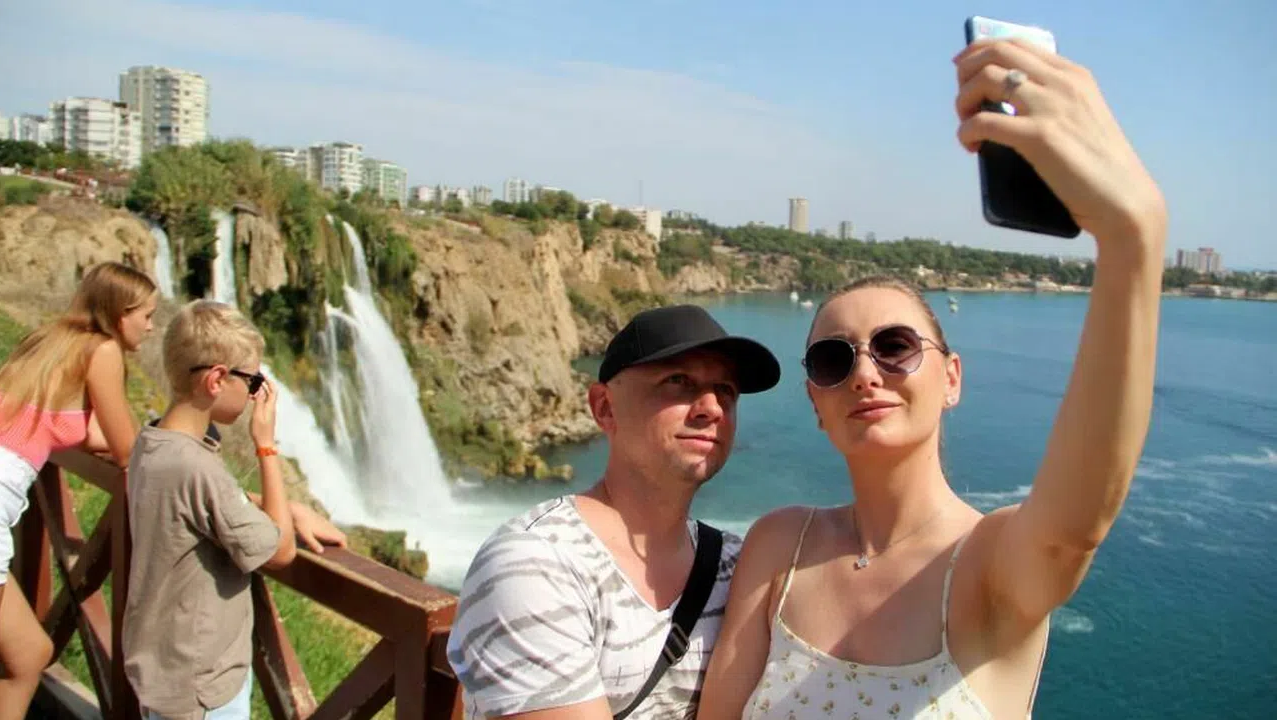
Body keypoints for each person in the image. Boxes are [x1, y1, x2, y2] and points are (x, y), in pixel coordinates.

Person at [699, 37, 1167, 719]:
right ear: (815, 402)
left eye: (894, 346)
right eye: (833, 359)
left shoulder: (989, 564)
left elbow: (1073, 529)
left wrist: (1131, 236)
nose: (866, 372)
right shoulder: (779, 545)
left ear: (951, 378)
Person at [448, 304, 781, 719]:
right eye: (678, 381)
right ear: (604, 407)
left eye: (726, 391)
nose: (712, 407)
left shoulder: (739, 569)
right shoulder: (536, 563)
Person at [122, 300, 347, 720]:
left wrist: (287, 508)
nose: (256, 393)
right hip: (202, 685)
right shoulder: (196, 467)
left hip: (164, 668)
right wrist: (266, 445)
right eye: (253, 380)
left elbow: (207, 503)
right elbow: (280, 551)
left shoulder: (153, 442)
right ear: (216, 380)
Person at [0, 261, 157, 720]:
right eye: (146, 315)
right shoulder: (102, 351)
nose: (151, 327)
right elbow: (127, 451)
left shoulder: (48, 341)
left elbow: (76, 429)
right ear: (121, 314)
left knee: (29, 654)